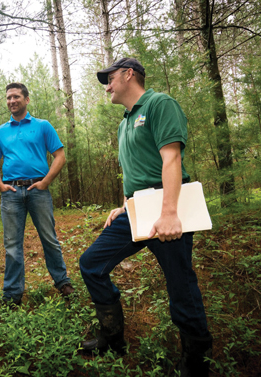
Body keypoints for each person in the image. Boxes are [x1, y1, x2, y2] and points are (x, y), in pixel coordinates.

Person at [79, 58, 212, 376]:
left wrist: (169, 213)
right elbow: (137, 170)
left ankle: (196, 364)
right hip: (137, 208)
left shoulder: (159, 104)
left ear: (128, 75)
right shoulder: (124, 123)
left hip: (167, 207)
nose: (107, 86)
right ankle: (112, 339)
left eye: (109, 79)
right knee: (91, 264)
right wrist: (124, 204)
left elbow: (171, 158)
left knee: (180, 284)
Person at [0, 83, 74, 306]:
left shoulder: (43, 126)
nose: (11, 101)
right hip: (11, 192)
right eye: (8, 97)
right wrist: (0, 185)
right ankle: (12, 295)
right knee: (12, 245)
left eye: (16, 96)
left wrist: (46, 182)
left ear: (26, 100)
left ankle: (63, 282)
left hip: (38, 191)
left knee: (49, 239)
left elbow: (60, 155)